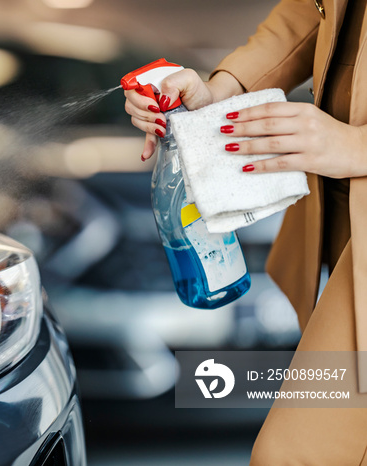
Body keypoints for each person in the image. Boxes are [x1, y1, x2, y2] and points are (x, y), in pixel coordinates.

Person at [125, 0, 367, 463]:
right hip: (338, 204)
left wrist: (358, 145)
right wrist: (222, 91)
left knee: (292, 455)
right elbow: (312, 14)